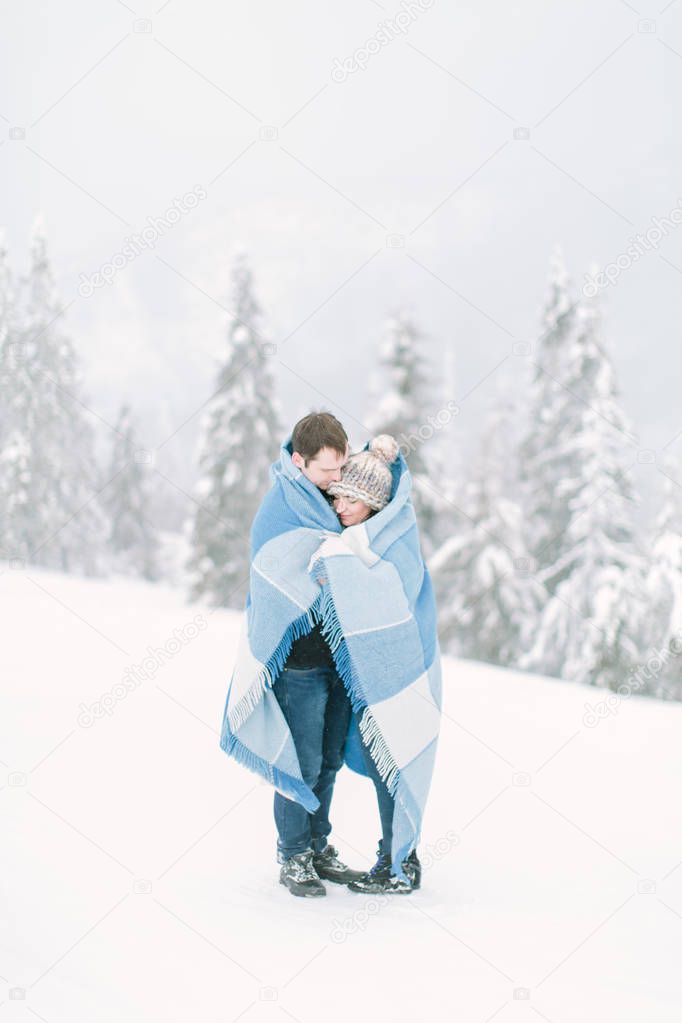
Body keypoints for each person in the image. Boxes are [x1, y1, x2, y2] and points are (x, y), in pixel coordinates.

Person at [269, 412, 366, 896]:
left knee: (329, 762)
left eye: (341, 467)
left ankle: (317, 844)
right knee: (300, 764)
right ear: (298, 461)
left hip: (340, 656)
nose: (335, 479)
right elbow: (272, 575)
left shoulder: (348, 499)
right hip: (299, 662)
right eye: (325, 471)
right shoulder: (284, 507)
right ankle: (292, 855)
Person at [326, 437, 422, 895]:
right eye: (337, 496)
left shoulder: (387, 541)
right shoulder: (355, 536)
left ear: (372, 503)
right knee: (382, 761)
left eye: (349, 499)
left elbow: (398, 593)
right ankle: (400, 856)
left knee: (392, 762)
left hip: (393, 673)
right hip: (364, 674)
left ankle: (397, 863)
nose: (340, 506)